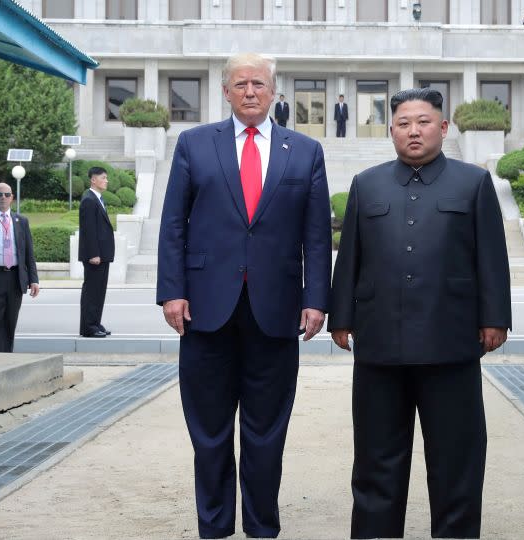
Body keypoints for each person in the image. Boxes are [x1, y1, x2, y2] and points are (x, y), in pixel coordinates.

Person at [157, 53, 332, 539]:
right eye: (240, 84)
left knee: (266, 432)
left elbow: (316, 236)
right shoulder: (194, 145)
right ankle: (214, 527)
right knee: (209, 432)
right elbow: (173, 224)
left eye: (259, 83)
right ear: (226, 92)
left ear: (274, 92)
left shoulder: (305, 151)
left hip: (276, 312)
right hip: (205, 310)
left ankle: (261, 526)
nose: (250, 91)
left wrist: (316, 297)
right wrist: (172, 291)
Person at [328, 88, 512, 539]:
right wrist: (341, 316)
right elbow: (349, 255)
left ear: (443, 128)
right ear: (391, 130)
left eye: (424, 121)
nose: (414, 130)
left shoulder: (472, 183)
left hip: (450, 343)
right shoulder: (367, 184)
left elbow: (491, 255)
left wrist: (495, 317)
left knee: (456, 461)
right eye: (404, 122)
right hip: (379, 347)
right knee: (376, 461)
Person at [0, 183, 40, 352]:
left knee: (10, 322)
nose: (3, 198)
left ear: (12, 197)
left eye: (7, 194)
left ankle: (7, 358)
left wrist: (34, 279)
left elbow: (28, 252)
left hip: (15, 278)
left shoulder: (21, 221)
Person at [79, 166, 115, 338]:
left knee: (99, 291)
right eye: (103, 177)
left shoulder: (97, 199)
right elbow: (89, 230)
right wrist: (93, 253)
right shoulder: (89, 200)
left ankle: (95, 322)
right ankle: (88, 327)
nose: (106, 180)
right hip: (95, 256)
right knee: (92, 291)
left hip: (102, 255)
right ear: (93, 179)